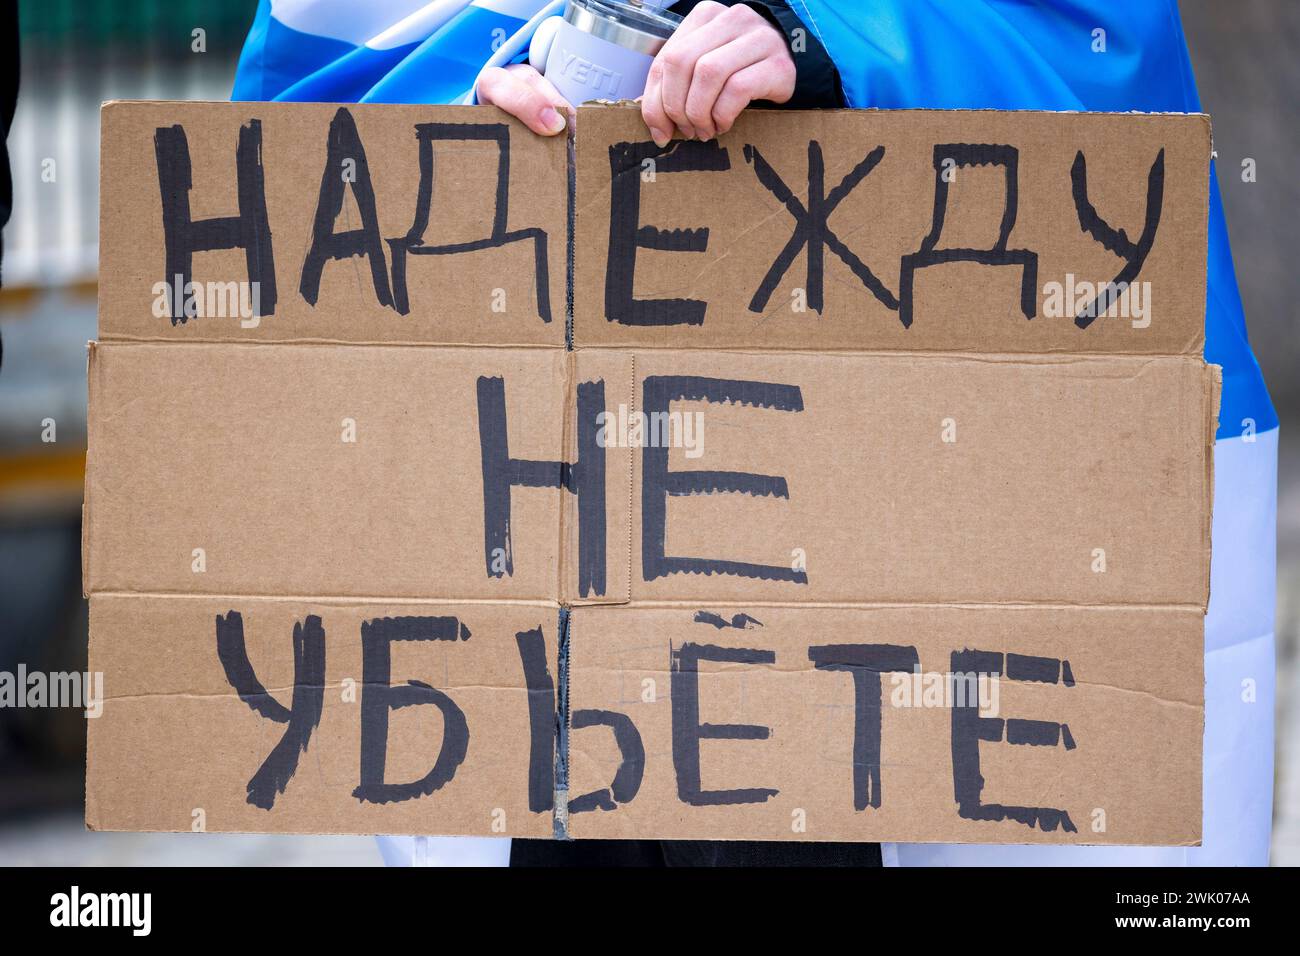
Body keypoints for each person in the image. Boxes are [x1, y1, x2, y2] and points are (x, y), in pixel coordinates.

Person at [235, 0, 1277, 867]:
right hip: (550, 495)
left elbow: (1095, 45)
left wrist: (832, 43)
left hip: (967, 492)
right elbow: (307, 113)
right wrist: (458, 129)